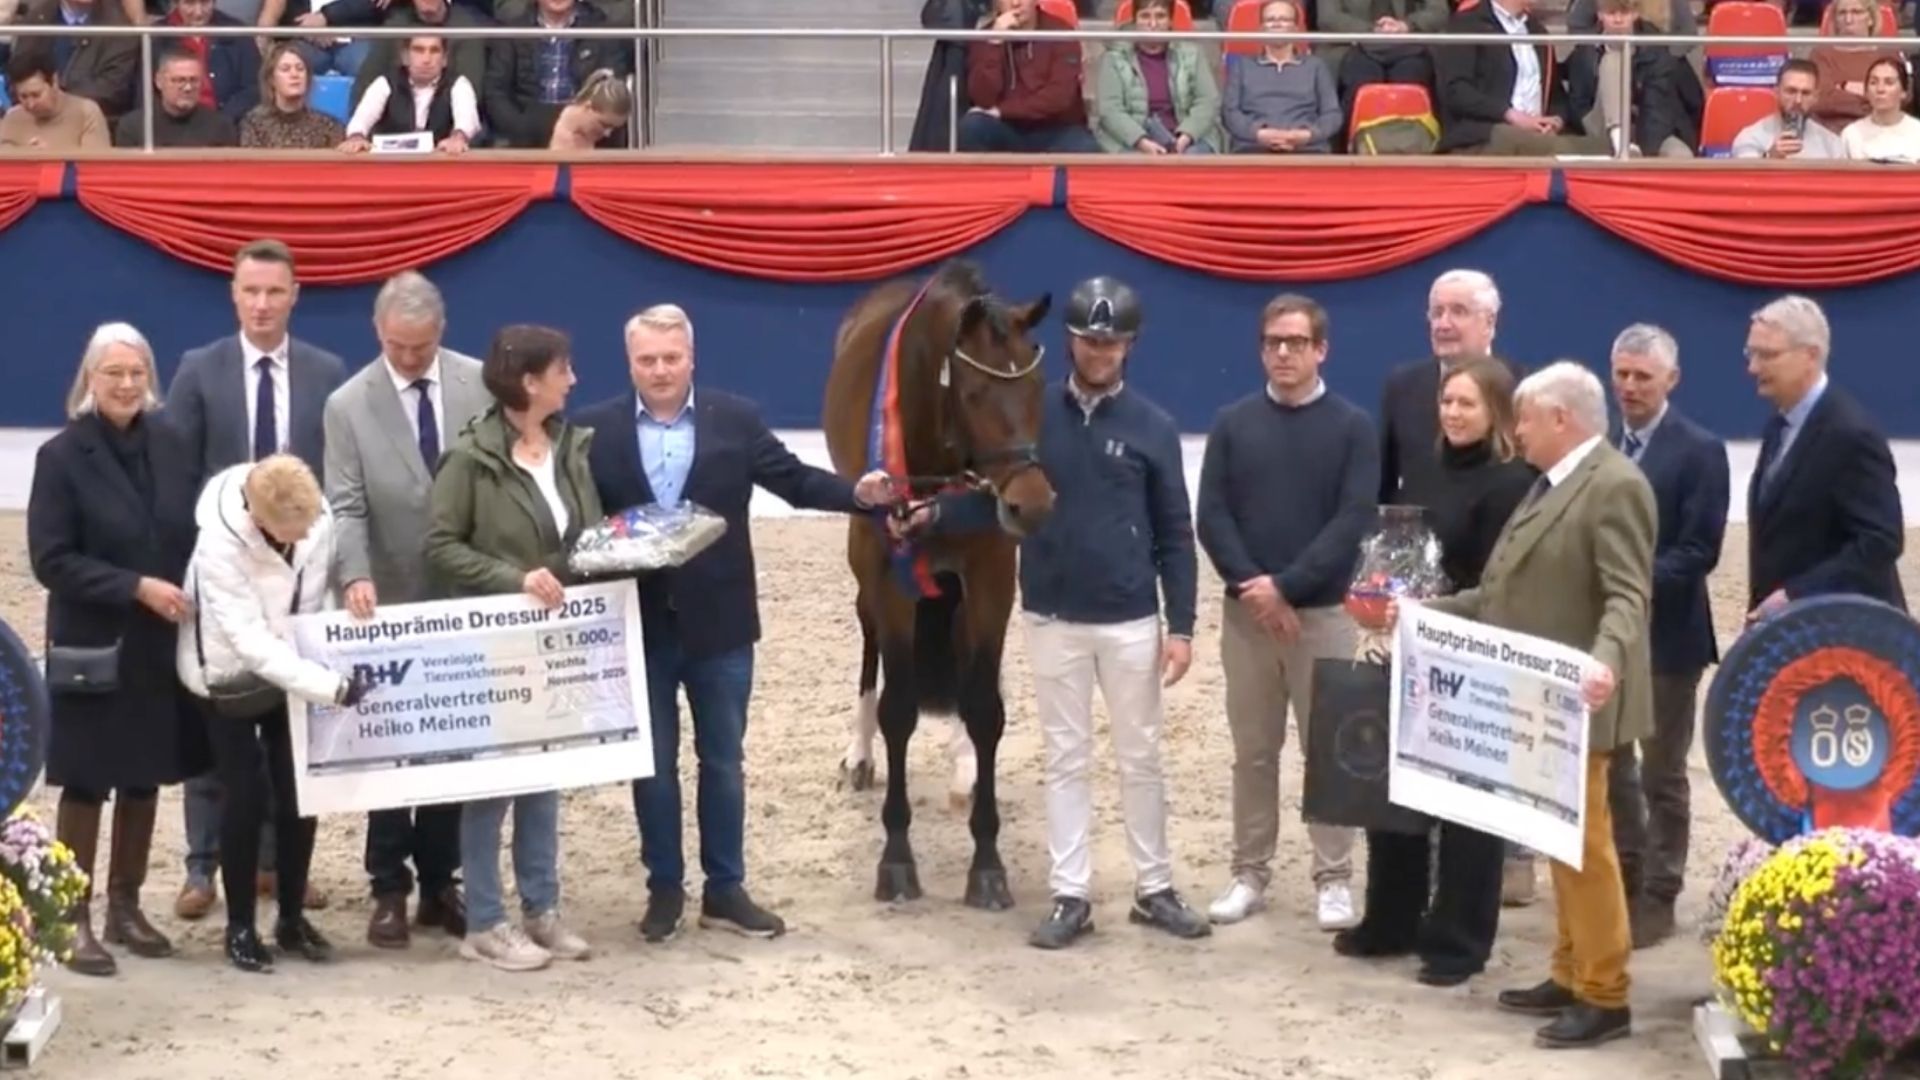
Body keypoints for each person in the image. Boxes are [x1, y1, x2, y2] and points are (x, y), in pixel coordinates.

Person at [890, 277, 1210, 950]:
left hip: (1128, 618)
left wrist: (1179, 624)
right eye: (1090, 340)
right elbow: (999, 495)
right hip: (1053, 615)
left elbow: (1175, 534)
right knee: (1065, 758)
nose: (1100, 352)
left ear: (1129, 345)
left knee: (1141, 755)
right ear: (1069, 340)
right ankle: (1071, 892)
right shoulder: (1035, 415)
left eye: (1112, 341)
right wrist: (938, 511)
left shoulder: (1152, 427)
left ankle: (1154, 886)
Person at [577, 305, 896, 944]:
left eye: (671, 358)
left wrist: (857, 495)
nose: (660, 370)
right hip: (636, 626)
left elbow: (796, 481)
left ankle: (725, 889)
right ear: (630, 362)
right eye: (647, 360)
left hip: (720, 625)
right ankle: (664, 888)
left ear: (691, 358)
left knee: (723, 761)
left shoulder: (737, 419)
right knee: (653, 766)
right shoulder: (592, 430)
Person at [1392, 361, 1654, 1049]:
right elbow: (1499, 595)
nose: (1517, 430)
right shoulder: (1546, 487)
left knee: (1586, 848)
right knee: (1557, 842)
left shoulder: (1615, 487)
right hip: (1537, 702)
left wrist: (1607, 659)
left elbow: (1629, 594)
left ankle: (1606, 993)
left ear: (1561, 419)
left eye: (1527, 419)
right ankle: (1569, 972)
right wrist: (1423, 612)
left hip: (1581, 698)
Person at [1334, 356, 1533, 986]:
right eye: (1447, 402)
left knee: (1467, 808)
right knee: (1393, 790)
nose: (1452, 413)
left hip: (1476, 656)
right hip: (1412, 647)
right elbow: (1399, 547)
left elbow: (1500, 583)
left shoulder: (1513, 483)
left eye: (1466, 404)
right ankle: (1391, 919)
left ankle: (1457, 941)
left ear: (1495, 411)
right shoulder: (1421, 468)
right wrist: (1376, 588)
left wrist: (1433, 602)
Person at [168, 238, 346, 922]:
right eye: (251, 291)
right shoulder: (199, 370)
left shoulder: (327, 373)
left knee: (284, 731)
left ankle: (279, 866)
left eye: (275, 292)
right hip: (219, 580)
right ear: (234, 295)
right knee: (217, 724)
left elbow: (331, 483)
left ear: (294, 294)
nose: (263, 304)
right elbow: (180, 473)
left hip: (294, 582)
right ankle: (201, 866)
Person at [28, 323, 208, 977]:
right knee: (86, 779)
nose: (127, 384)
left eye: (137, 372)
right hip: (93, 643)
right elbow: (50, 559)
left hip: (159, 644)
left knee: (143, 772)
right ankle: (70, 916)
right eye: (113, 373)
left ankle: (124, 907)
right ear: (90, 380)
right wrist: (133, 587)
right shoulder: (61, 456)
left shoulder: (171, 444)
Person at [1197, 293, 1378, 932]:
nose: (1283, 353)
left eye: (1296, 343)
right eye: (1274, 342)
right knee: (1253, 751)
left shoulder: (1354, 427)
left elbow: (1353, 520)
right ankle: (1249, 872)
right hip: (1247, 620)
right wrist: (1255, 587)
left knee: (1327, 748)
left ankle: (1333, 878)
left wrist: (1289, 587)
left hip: (1321, 616)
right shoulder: (1232, 423)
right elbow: (1211, 516)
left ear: (1320, 349)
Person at [425, 324, 602, 972]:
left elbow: (583, 534)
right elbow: (442, 545)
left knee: (544, 777)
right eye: (563, 369)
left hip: (556, 640)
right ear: (530, 381)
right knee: (493, 783)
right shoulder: (470, 460)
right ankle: (486, 920)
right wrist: (515, 578)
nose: (573, 379)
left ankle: (541, 906)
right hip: (495, 640)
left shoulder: (569, 448)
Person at [323, 271, 486, 949]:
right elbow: (346, 503)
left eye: (420, 347)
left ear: (440, 334)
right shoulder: (347, 404)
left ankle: (440, 879)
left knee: (451, 741)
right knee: (390, 747)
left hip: (464, 594)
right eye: (397, 346)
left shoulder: (479, 383)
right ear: (378, 332)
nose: (410, 358)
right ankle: (387, 885)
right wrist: (354, 574)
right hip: (385, 595)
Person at [176, 454, 367, 972]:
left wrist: (325, 654)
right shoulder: (219, 543)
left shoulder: (316, 518)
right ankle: (240, 926)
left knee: (298, 793)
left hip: (295, 670)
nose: (303, 536)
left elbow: (316, 593)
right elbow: (248, 641)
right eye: (290, 531)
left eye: (309, 526)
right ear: (259, 520)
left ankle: (289, 919)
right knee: (244, 795)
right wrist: (330, 685)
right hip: (229, 677)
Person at [1604, 324, 1728, 949]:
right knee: (1613, 764)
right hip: (1604, 640)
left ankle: (1661, 891)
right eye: (1621, 374)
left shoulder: (1701, 450)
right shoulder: (1599, 442)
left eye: (1642, 377)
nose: (1628, 386)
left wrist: (1629, 585)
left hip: (1669, 640)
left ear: (1670, 380)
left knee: (1662, 771)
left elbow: (1699, 551)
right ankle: (1625, 873)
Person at [1743, 295, 1904, 619]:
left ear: (1810, 356)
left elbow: (1880, 541)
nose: (1753, 367)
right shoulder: (1779, 426)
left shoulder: (1851, 435)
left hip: (1845, 636)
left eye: (1767, 355)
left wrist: (1795, 595)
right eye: (1751, 353)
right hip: (1789, 634)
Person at [1094, 0, 1224, 154]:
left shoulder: (1192, 53)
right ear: (1135, 22)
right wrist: (1141, 141)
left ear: (1170, 21)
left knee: (1193, 157)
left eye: (1160, 16)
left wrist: (1186, 135)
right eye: (1145, 16)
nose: (1153, 23)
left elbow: (1207, 101)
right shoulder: (1114, 58)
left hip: (1186, 137)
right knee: (1136, 162)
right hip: (1132, 139)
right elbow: (1110, 109)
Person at [1841, 57, 1920, 161]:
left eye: (1889, 82)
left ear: (1903, 91)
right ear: (1866, 91)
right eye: (1873, 82)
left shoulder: (1917, 131)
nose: (1880, 89)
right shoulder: (1851, 134)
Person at [546, 69, 631, 151]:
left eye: (613, 128)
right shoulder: (554, 129)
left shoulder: (609, 140)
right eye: (604, 125)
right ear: (587, 107)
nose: (607, 134)